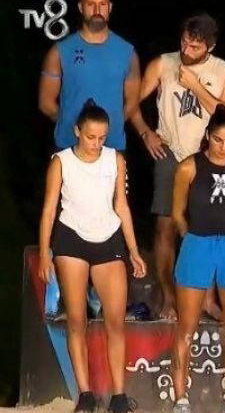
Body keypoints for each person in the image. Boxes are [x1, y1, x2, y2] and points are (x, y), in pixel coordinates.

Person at [38, 100, 147, 413]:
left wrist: (134, 250)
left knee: (116, 320)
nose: (96, 143)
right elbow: (49, 209)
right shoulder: (61, 162)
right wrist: (45, 251)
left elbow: (121, 205)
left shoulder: (115, 159)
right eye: (90, 137)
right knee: (77, 319)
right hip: (71, 237)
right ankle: (85, 394)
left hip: (108, 237)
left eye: (101, 137)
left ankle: (119, 396)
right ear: (77, 131)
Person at [130, 13, 225, 321]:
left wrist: (195, 86)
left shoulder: (222, 70)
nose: (187, 50)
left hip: (207, 156)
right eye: (184, 43)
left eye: (195, 47)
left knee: (208, 228)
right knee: (165, 225)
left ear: (210, 47)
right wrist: (145, 132)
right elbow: (130, 102)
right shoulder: (163, 63)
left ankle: (208, 299)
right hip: (170, 152)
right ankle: (168, 297)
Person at [170, 109, 225, 413]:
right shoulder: (188, 168)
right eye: (218, 140)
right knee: (186, 327)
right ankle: (181, 400)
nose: (223, 147)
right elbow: (177, 214)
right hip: (197, 244)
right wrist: (195, 238)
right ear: (208, 136)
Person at [39, 0, 140, 152]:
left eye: (102, 4)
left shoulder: (127, 52)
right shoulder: (60, 51)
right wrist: (72, 124)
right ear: (80, 7)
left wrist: (106, 128)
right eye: (91, 4)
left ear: (110, 7)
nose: (97, 10)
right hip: (68, 147)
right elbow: (46, 103)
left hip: (111, 148)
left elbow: (132, 103)